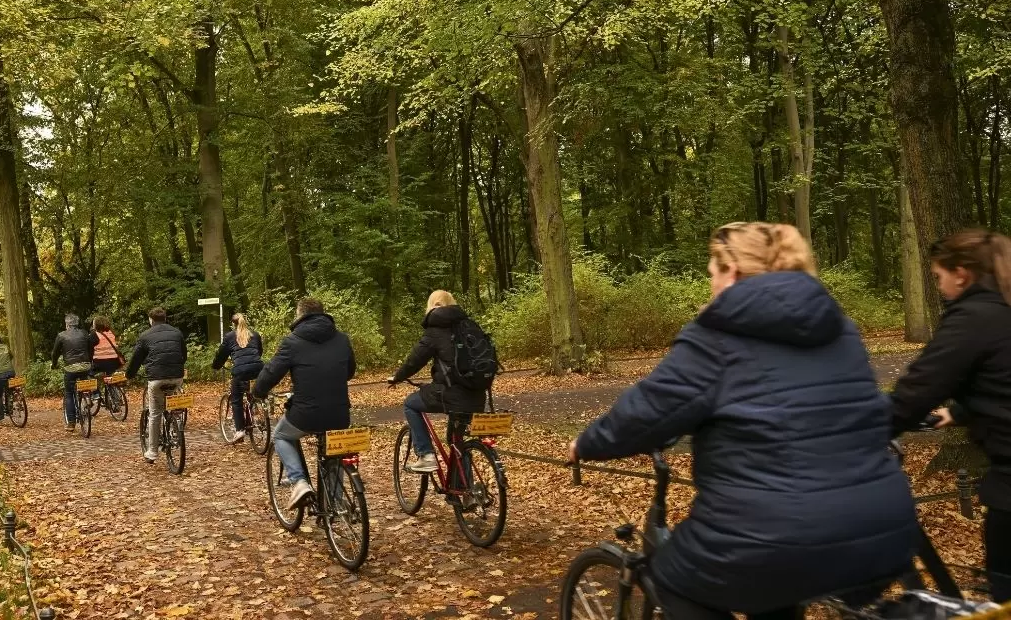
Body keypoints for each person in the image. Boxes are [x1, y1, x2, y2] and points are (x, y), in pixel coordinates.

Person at [567, 222, 917, 620]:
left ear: (731, 271)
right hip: (881, 531)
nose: (710, 283)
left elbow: (647, 412)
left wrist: (588, 443)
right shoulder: (841, 330)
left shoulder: (717, 335)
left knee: (673, 577)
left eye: (711, 273)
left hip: (774, 537)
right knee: (774, 593)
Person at [890, 229, 1011, 601]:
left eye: (939, 276)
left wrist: (853, 429)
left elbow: (912, 395)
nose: (939, 286)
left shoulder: (973, 318)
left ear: (961, 273)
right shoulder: (1003, 311)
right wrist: (959, 411)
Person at [252, 297, 356, 510]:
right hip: (339, 412)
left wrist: (258, 392)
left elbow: (271, 372)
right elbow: (349, 372)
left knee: (280, 435)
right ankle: (335, 503)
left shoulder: (293, 341)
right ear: (322, 313)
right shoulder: (342, 339)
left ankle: (299, 481)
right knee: (333, 450)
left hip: (306, 413)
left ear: (300, 315)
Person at [389, 290, 487, 473]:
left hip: (450, 394)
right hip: (477, 394)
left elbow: (415, 360)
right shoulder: (470, 325)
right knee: (457, 442)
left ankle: (426, 455)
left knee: (410, 404)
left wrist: (397, 377)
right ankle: (466, 492)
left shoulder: (435, 330)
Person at [126, 307, 187, 462]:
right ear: (165, 318)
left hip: (157, 378)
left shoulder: (145, 336)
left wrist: (129, 375)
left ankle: (152, 451)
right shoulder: (177, 332)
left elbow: (136, 360)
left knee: (155, 412)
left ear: (150, 320)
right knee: (172, 403)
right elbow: (183, 355)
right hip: (177, 376)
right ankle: (175, 425)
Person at [212, 312, 265, 444]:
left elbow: (221, 355)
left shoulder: (230, 337)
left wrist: (216, 366)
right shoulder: (255, 334)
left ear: (232, 324)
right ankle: (258, 408)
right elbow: (259, 351)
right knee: (253, 391)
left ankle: (240, 430)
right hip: (259, 368)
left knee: (236, 399)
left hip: (240, 370)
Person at [51, 313, 98, 433]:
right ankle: (87, 396)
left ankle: (71, 422)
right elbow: (91, 348)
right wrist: (89, 361)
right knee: (84, 380)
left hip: (71, 368)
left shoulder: (61, 335)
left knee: (69, 393)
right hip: (85, 365)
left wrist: (54, 364)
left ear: (67, 324)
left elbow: (55, 353)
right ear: (77, 323)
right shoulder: (84, 333)